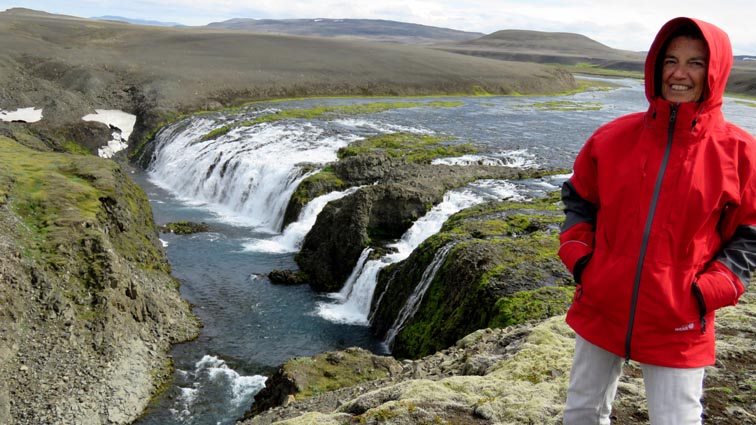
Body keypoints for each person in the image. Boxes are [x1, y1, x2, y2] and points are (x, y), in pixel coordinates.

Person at [559, 16, 756, 425]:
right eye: (671, 60)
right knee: (582, 412)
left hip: (678, 316)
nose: (679, 73)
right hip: (602, 304)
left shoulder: (740, 153)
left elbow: (751, 233)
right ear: (655, 66)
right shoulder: (612, 138)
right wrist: (581, 259)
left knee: (676, 420)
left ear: (715, 73)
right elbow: (579, 199)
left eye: (696, 63)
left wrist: (710, 290)